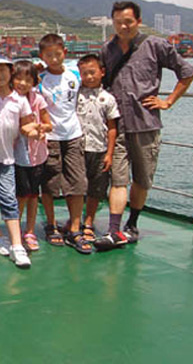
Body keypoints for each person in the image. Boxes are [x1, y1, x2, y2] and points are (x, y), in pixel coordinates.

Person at [95, 1, 193, 250]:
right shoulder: (106, 51)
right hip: (116, 126)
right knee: (118, 180)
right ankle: (114, 230)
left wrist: (168, 101)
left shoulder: (156, 45)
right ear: (113, 23)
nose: (123, 26)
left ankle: (133, 224)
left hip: (145, 124)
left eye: (128, 21)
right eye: (118, 22)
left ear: (138, 21)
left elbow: (187, 72)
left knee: (141, 179)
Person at [0, 55, 39, 268]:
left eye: (2, 70)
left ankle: (17, 246)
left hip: (7, 159)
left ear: (11, 72)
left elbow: (25, 125)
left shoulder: (20, 101)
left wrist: (36, 131)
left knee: (9, 200)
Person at [37, 33, 93, 254]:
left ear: (65, 53)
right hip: (50, 137)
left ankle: (75, 228)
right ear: (42, 56)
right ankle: (51, 225)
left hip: (73, 134)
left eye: (57, 54)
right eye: (48, 55)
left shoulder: (75, 74)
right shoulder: (39, 78)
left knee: (77, 182)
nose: (53, 58)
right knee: (50, 183)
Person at [75, 53, 119, 243]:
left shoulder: (107, 99)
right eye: (84, 74)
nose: (89, 77)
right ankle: (74, 221)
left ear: (102, 72)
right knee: (76, 187)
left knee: (96, 189)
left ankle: (89, 222)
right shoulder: (75, 95)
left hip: (99, 149)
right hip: (77, 149)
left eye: (92, 72)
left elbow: (111, 128)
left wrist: (109, 153)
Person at [11, 60, 52, 252]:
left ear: (34, 82)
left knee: (34, 195)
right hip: (16, 155)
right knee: (20, 195)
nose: (22, 83)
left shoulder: (38, 99)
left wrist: (42, 128)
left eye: (27, 80)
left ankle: (29, 231)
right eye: (18, 78)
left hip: (37, 155)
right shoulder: (9, 99)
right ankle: (16, 230)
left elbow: (49, 123)